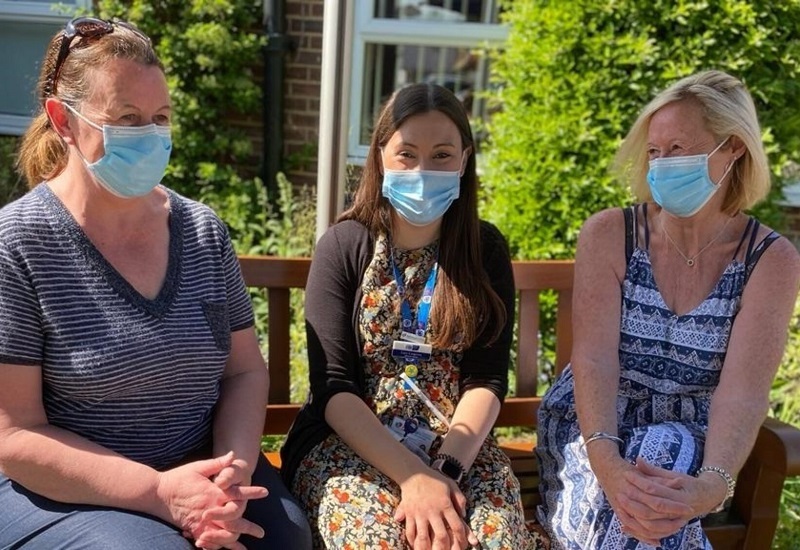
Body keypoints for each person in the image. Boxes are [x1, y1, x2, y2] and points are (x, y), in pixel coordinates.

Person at [0, 16, 311, 550]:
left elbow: (242, 371)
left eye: (160, 118)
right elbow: (14, 435)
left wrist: (231, 475)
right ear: (63, 119)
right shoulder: (17, 245)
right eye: (127, 117)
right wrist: (159, 492)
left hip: (201, 466)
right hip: (66, 491)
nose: (148, 135)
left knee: (284, 540)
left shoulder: (201, 229)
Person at [536, 69, 800, 549]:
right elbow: (593, 359)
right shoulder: (609, 234)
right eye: (654, 153)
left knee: (663, 462)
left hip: (695, 438)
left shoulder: (771, 259)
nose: (660, 166)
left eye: (677, 149)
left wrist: (713, 485)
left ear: (733, 147)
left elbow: (742, 393)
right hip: (596, 429)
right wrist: (608, 465)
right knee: (642, 493)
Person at [280, 83, 537, 549]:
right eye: (407, 154)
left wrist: (444, 472)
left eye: (441, 155)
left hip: (456, 449)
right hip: (350, 445)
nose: (423, 170)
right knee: (380, 540)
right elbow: (334, 388)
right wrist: (414, 479)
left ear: (464, 159)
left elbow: (486, 380)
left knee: (491, 540)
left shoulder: (486, 250)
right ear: (381, 157)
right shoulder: (343, 246)